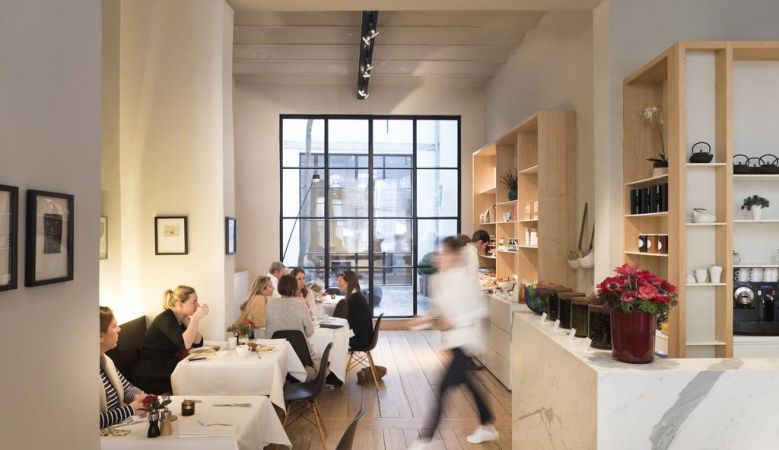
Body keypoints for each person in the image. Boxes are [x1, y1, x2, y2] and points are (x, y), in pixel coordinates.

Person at [408, 235, 497, 449]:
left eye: (444, 253)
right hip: (452, 342)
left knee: (442, 387)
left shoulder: (465, 280)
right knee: (469, 384)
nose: (441, 257)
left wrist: (454, 319)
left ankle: (427, 439)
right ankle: (488, 426)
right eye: (441, 254)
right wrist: (424, 319)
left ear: (454, 255)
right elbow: (440, 309)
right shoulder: (439, 279)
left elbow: (481, 310)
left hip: (465, 342)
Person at [133, 286, 209, 394]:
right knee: (196, 374)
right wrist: (195, 319)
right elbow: (185, 344)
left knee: (200, 369)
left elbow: (198, 343)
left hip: (167, 363)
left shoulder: (182, 318)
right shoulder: (166, 318)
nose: (198, 305)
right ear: (179, 304)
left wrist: (189, 322)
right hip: (151, 370)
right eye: (194, 302)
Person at [99, 307, 146, 429]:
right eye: (114, 326)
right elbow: (91, 421)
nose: (119, 329)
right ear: (100, 336)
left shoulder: (105, 360)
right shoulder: (82, 374)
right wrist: (131, 408)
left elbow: (126, 388)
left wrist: (138, 395)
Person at [335, 270, 385, 384]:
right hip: (364, 336)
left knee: (333, 342)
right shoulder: (356, 296)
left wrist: (346, 335)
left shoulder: (355, 300)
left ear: (349, 283)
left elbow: (362, 325)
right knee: (336, 338)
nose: (338, 283)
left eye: (340, 281)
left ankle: (335, 377)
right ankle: (335, 375)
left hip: (362, 339)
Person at [265, 274, 317, 379]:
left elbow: (269, 331)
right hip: (301, 354)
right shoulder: (301, 304)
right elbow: (309, 332)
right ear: (294, 288)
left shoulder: (270, 304)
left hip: (277, 352)